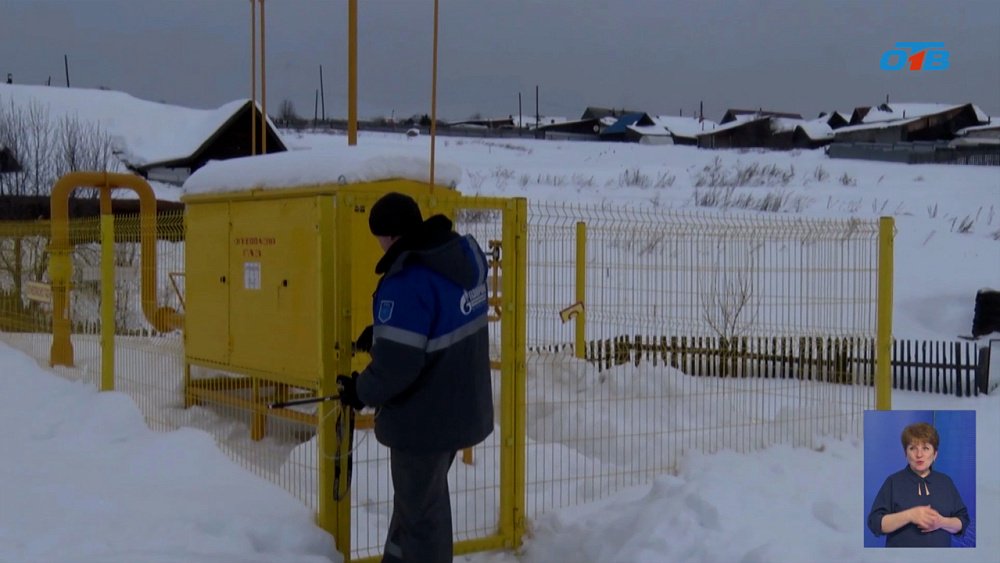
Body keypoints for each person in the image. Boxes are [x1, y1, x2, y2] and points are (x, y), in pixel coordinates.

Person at [337, 192, 494, 563]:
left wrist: (359, 390)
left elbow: (397, 367)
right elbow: (434, 323)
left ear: (389, 236)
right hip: (462, 407)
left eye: (378, 236)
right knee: (420, 504)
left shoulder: (407, 280)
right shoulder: (462, 258)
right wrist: (381, 333)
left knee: (422, 518)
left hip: (424, 422)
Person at [866, 422, 970, 547]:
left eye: (925, 448)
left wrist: (941, 522)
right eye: (913, 448)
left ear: (935, 454)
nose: (919, 454)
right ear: (905, 453)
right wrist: (910, 515)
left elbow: (962, 521)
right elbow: (875, 523)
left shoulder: (946, 482)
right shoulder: (893, 482)